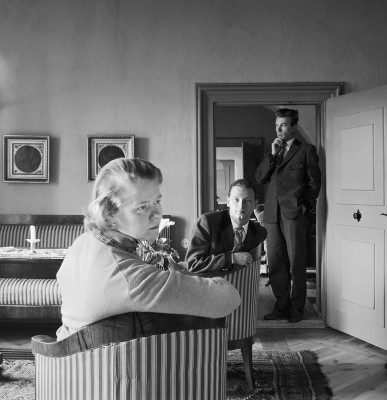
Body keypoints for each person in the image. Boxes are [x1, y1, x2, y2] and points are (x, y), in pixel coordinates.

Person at [56, 158, 241, 340]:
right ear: (109, 213)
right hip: (110, 367)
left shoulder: (81, 244)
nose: (157, 214)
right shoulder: (130, 278)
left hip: (72, 363)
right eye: (142, 207)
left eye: (157, 201)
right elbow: (227, 298)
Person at [255, 108, 321, 323]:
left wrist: (305, 209)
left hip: (294, 215)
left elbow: (314, 184)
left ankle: (297, 308)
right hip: (271, 215)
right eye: (277, 125)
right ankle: (281, 305)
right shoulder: (272, 151)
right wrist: (272, 156)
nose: (279, 129)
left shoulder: (307, 150)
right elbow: (260, 177)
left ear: (293, 127)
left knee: (297, 263)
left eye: (283, 125)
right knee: (275, 263)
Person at [185, 179, 267, 274]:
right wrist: (231, 258)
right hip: (209, 286)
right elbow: (192, 264)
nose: (241, 206)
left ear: (255, 204)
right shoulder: (207, 222)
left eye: (247, 201)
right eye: (236, 200)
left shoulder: (260, 232)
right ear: (228, 201)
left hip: (243, 287)